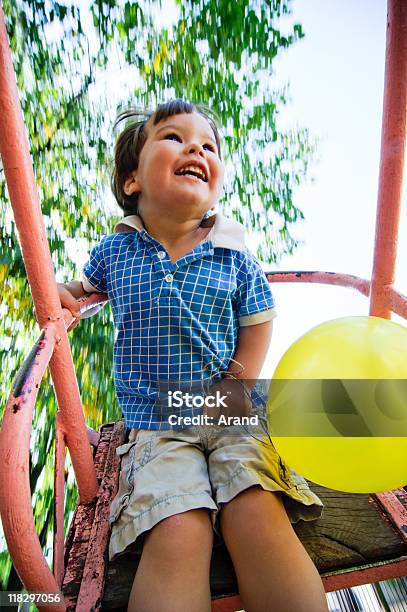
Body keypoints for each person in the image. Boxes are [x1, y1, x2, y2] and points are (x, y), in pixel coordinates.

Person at [58, 99, 328, 612]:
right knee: (176, 522)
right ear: (132, 179)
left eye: (208, 145)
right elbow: (81, 288)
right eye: (175, 138)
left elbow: (259, 319)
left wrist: (240, 380)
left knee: (255, 507)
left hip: (229, 409)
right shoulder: (116, 251)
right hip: (157, 421)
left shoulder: (233, 252)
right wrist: (62, 292)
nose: (196, 149)